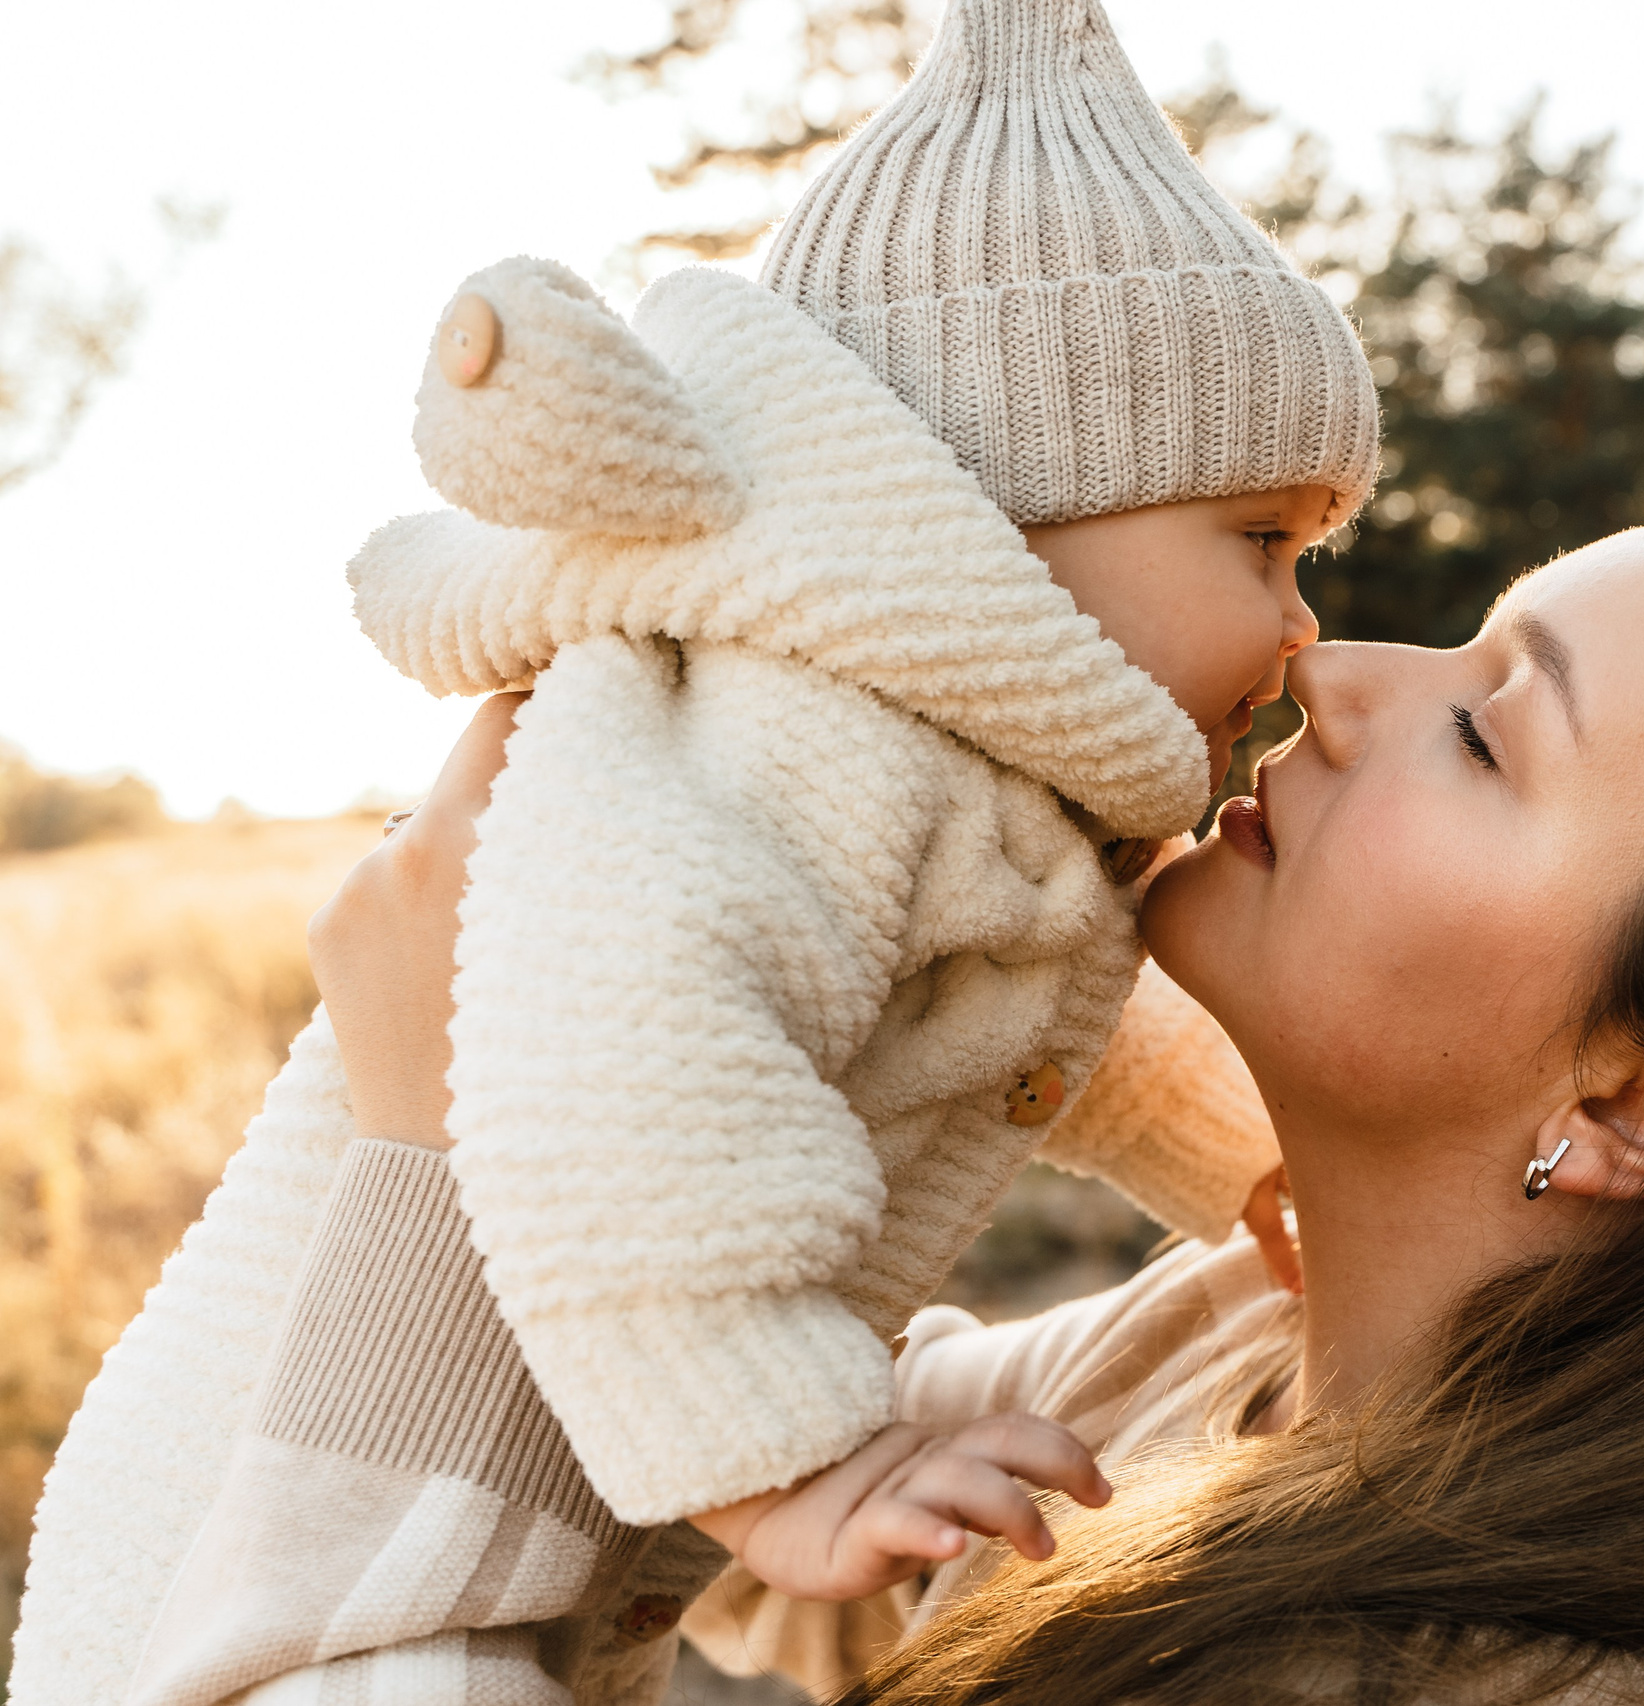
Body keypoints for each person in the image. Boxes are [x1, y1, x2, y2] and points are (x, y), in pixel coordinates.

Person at [118, 461, 1644, 1706]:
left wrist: (435, 1160)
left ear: (1639, 1100)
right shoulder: (1218, 1369)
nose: (1330, 674)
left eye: (1485, 729)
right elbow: (694, 1568)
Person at [13, 0, 1377, 1696]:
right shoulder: (807, 732)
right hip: (265, 1530)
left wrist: (1253, 1147)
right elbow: (627, 1046)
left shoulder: (964, 780)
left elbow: (1019, 1026)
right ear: (994, 499)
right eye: (1264, 537)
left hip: (445, 1536)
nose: (1305, 628)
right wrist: (792, 1454)